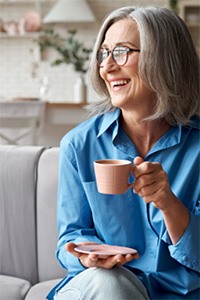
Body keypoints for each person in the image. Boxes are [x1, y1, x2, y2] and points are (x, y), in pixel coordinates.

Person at [48, 6, 200, 300]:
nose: (106, 67)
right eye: (104, 54)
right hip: (103, 287)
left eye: (121, 52)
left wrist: (168, 204)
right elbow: (70, 238)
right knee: (112, 285)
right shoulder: (79, 146)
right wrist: (86, 256)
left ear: (165, 59)